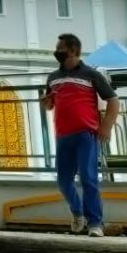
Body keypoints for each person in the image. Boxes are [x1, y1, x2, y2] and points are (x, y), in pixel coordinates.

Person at [43, 33, 120, 238]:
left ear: (73, 50)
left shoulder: (91, 74)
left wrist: (106, 126)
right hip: (63, 135)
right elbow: (50, 103)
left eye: (61, 48)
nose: (57, 52)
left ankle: (95, 223)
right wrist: (47, 103)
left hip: (86, 134)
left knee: (88, 179)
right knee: (63, 181)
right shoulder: (53, 77)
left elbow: (113, 100)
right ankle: (78, 213)